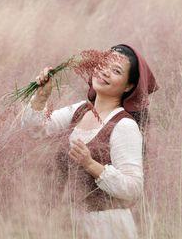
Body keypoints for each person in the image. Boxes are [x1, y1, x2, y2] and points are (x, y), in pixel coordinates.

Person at [21, 44, 159, 239]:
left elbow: (133, 188)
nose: (105, 72)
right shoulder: (81, 110)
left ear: (129, 86)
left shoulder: (124, 126)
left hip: (107, 227)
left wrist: (90, 164)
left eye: (116, 71)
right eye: (104, 64)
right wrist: (42, 96)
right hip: (71, 225)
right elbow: (34, 130)